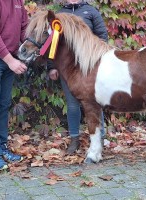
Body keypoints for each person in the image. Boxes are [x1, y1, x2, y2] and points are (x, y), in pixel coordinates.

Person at [48, 0, 108, 154]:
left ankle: (100, 137)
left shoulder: (91, 11)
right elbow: (52, 43)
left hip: (90, 67)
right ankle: (74, 139)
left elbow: (102, 37)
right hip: (68, 69)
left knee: (95, 102)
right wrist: (52, 66)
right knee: (73, 105)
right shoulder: (59, 15)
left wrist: (99, 61)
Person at [0, 0, 28, 170]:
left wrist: (30, 46)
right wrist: (10, 61)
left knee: (3, 105)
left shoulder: (18, 1)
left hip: (11, 60)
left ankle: (2, 148)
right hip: (3, 60)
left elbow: (24, 28)